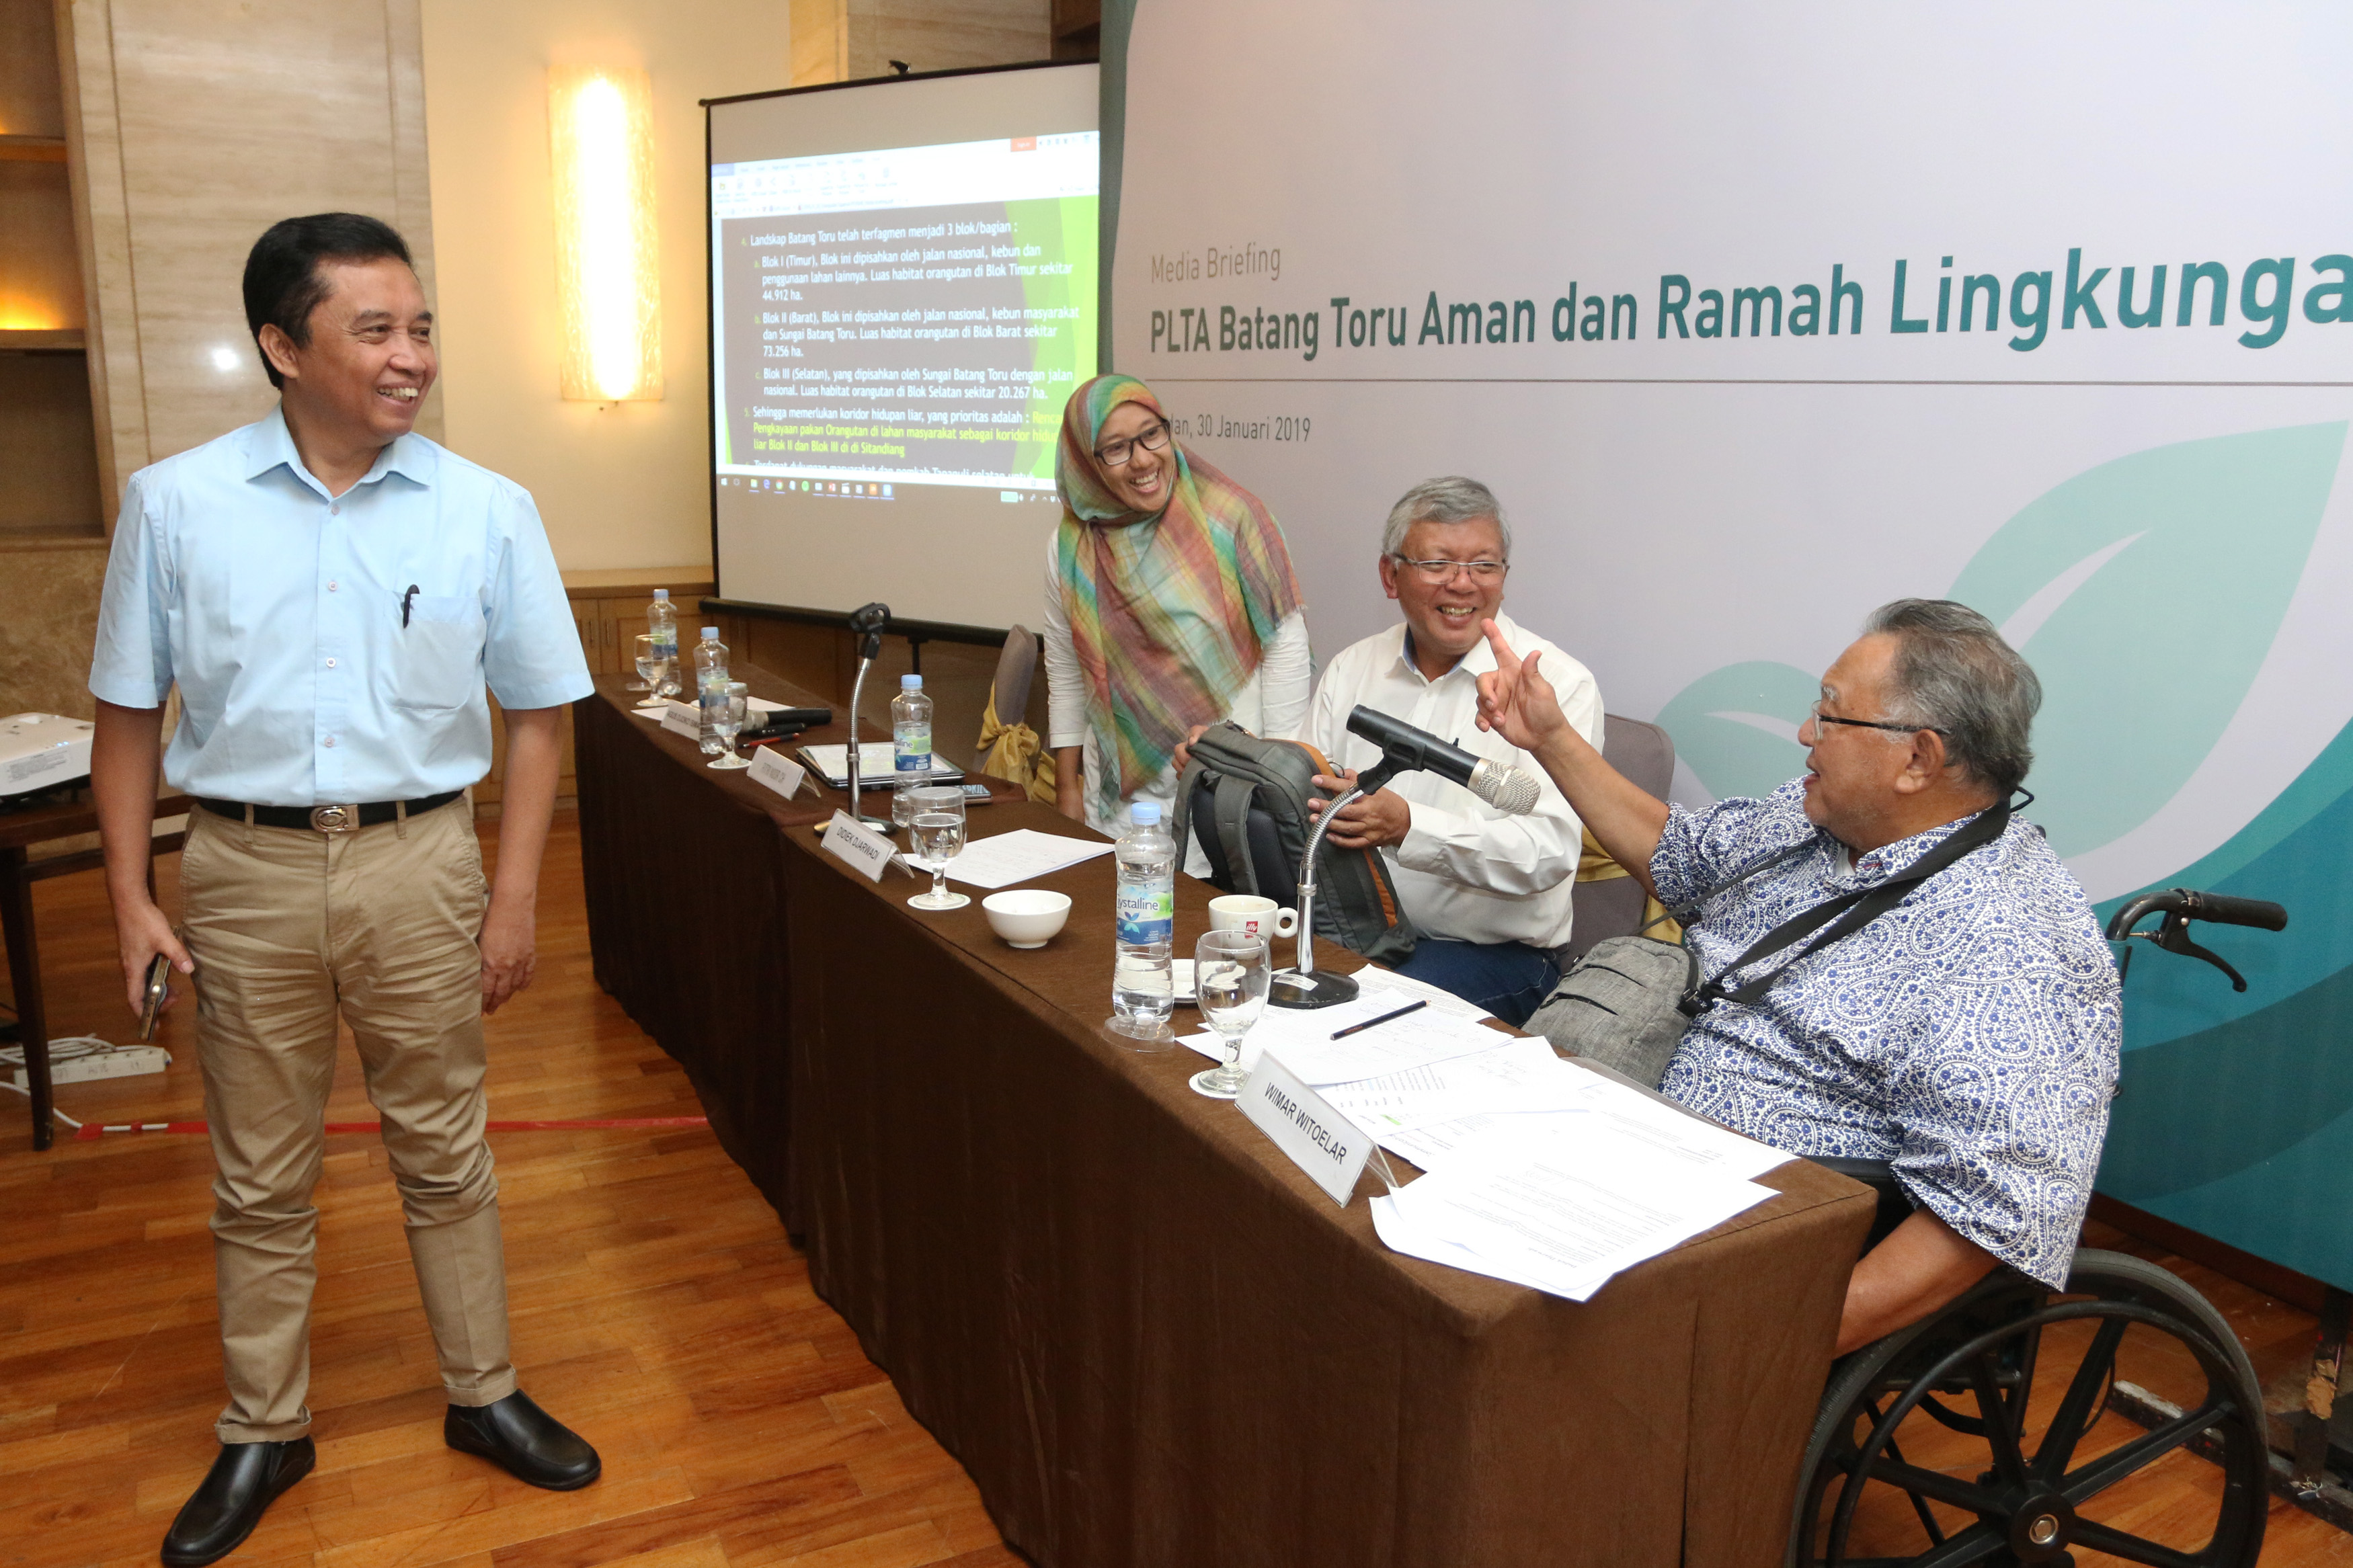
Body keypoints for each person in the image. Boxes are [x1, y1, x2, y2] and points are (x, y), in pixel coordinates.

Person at [87, 214, 601, 1567]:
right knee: (260, 1173)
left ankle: (484, 1393)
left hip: (419, 857)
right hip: (242, 866)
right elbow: (129, 714)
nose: (411, 354)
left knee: (446, 1145)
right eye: (375, 328)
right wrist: (132, 893)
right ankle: (266, 1422)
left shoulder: (487, 507)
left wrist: (512, 891)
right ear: (280, 343)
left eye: (420, 325)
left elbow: (541, 714)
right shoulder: (175, 502)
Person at [1472, 600, 2119, 1352]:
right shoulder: (1816, 817)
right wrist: (1549, 739)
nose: (1806, 734)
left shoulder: (2015, 944)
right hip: (1620, 1124)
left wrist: (1769, 1344)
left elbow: (1989, 1213)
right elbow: (1677, 856)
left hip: (1748, 1229)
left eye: (1832, 715)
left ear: (1918, 759)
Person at [1298, 477, 1602, 1026]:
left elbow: (1547, 852)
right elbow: (1305, 791)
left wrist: (1408, 826)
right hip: (1352, 932)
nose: (1463, 584)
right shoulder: (1353, 668)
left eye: (1484, 566)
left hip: (1494, 959)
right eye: (1437, 564)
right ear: (1391, 575)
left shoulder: (1558, 684)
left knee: (1346, 1021)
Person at [1042, 374, 1310, 843]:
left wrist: (1279, 773)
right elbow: (1066, 671)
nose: (1143, 459)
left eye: (1152, 433)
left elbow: (1284, 645)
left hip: (1229, 791)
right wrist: (1066, 789)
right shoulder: (1070, 547)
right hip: (1122, 804)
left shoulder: (1234, 517)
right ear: (1086, 461)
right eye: (1116, 448)